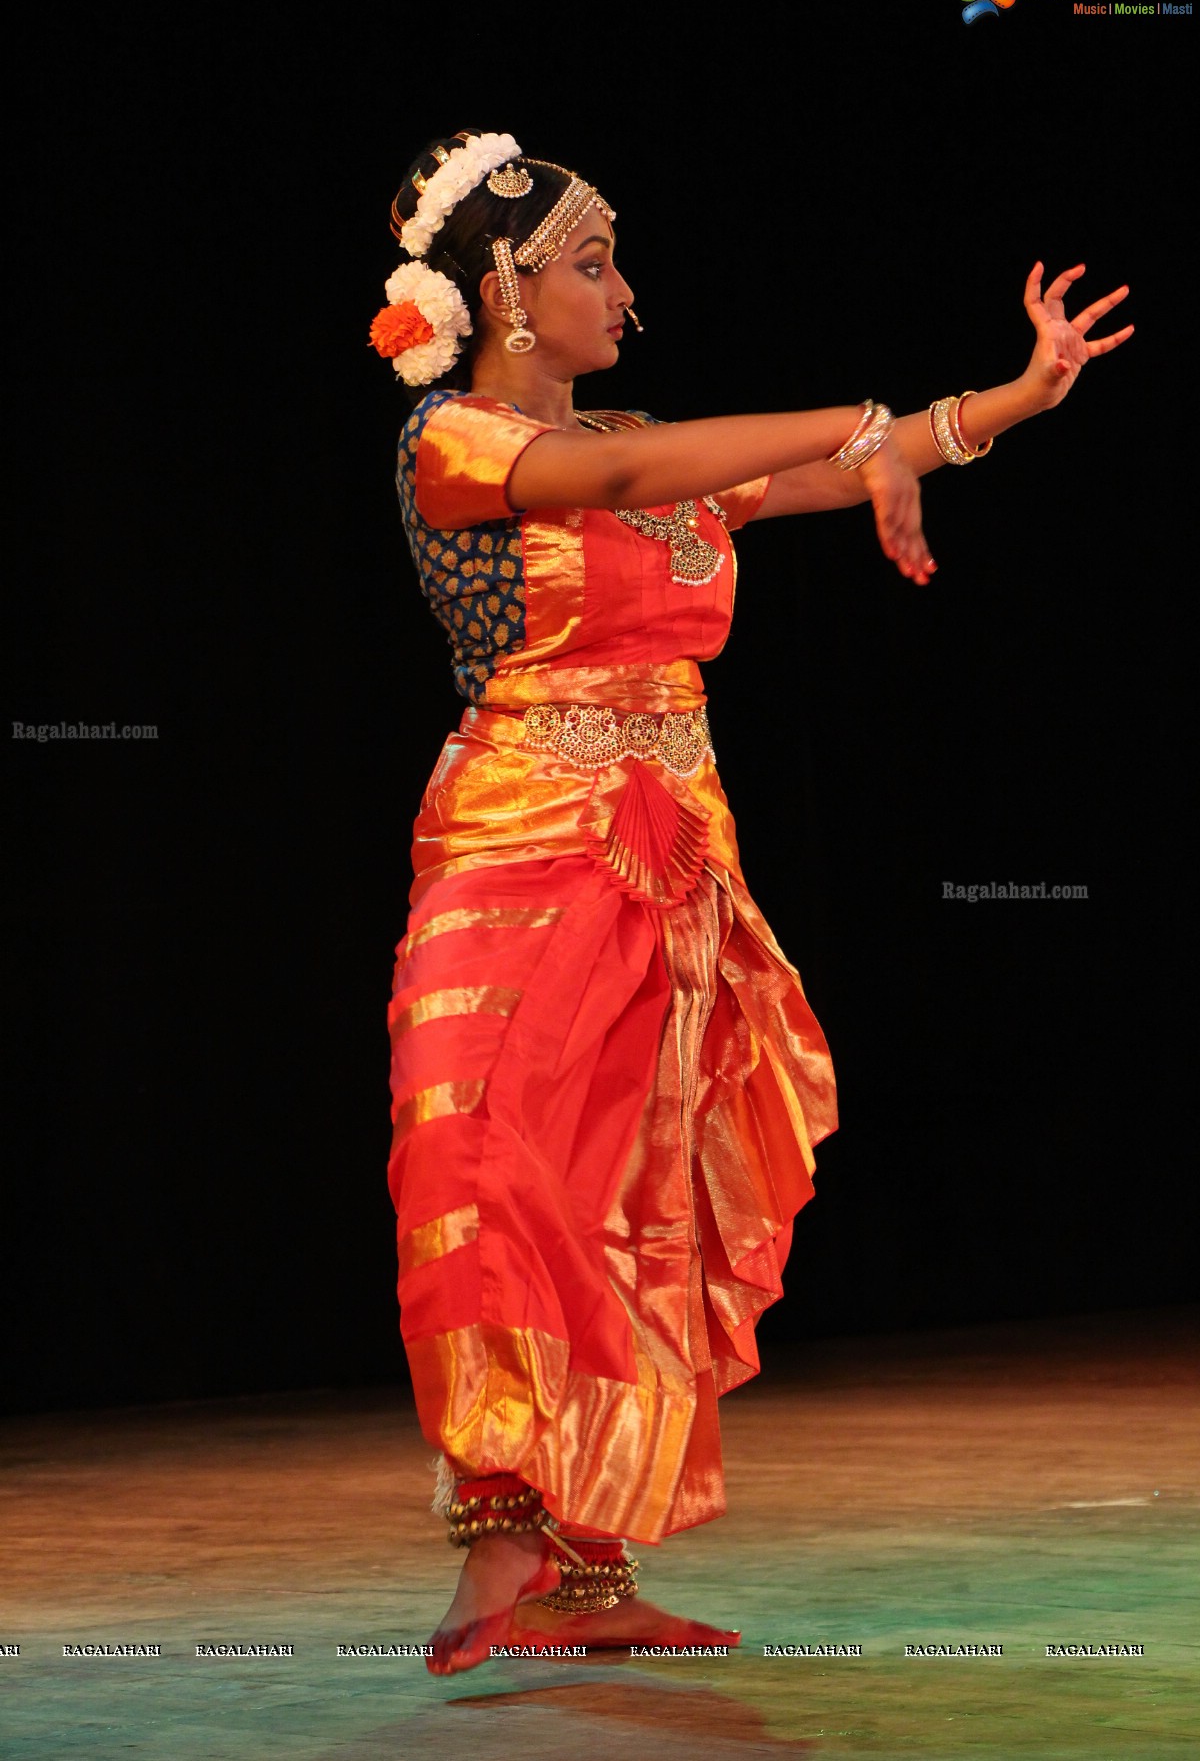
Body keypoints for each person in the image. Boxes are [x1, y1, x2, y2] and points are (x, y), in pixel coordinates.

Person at [371, 130, 1132, 1677]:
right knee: (481, 1164)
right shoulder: (453, 444)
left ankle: (591, 1572)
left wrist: (1000, 404)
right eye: (594, 263)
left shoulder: (655, 443)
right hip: (520, 843)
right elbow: (645, 471)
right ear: (508, 289)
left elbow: (838, 470)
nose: (623, 294)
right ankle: (502, 1526)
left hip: (667, 859)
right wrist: (863, 424)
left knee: (640, 1193)